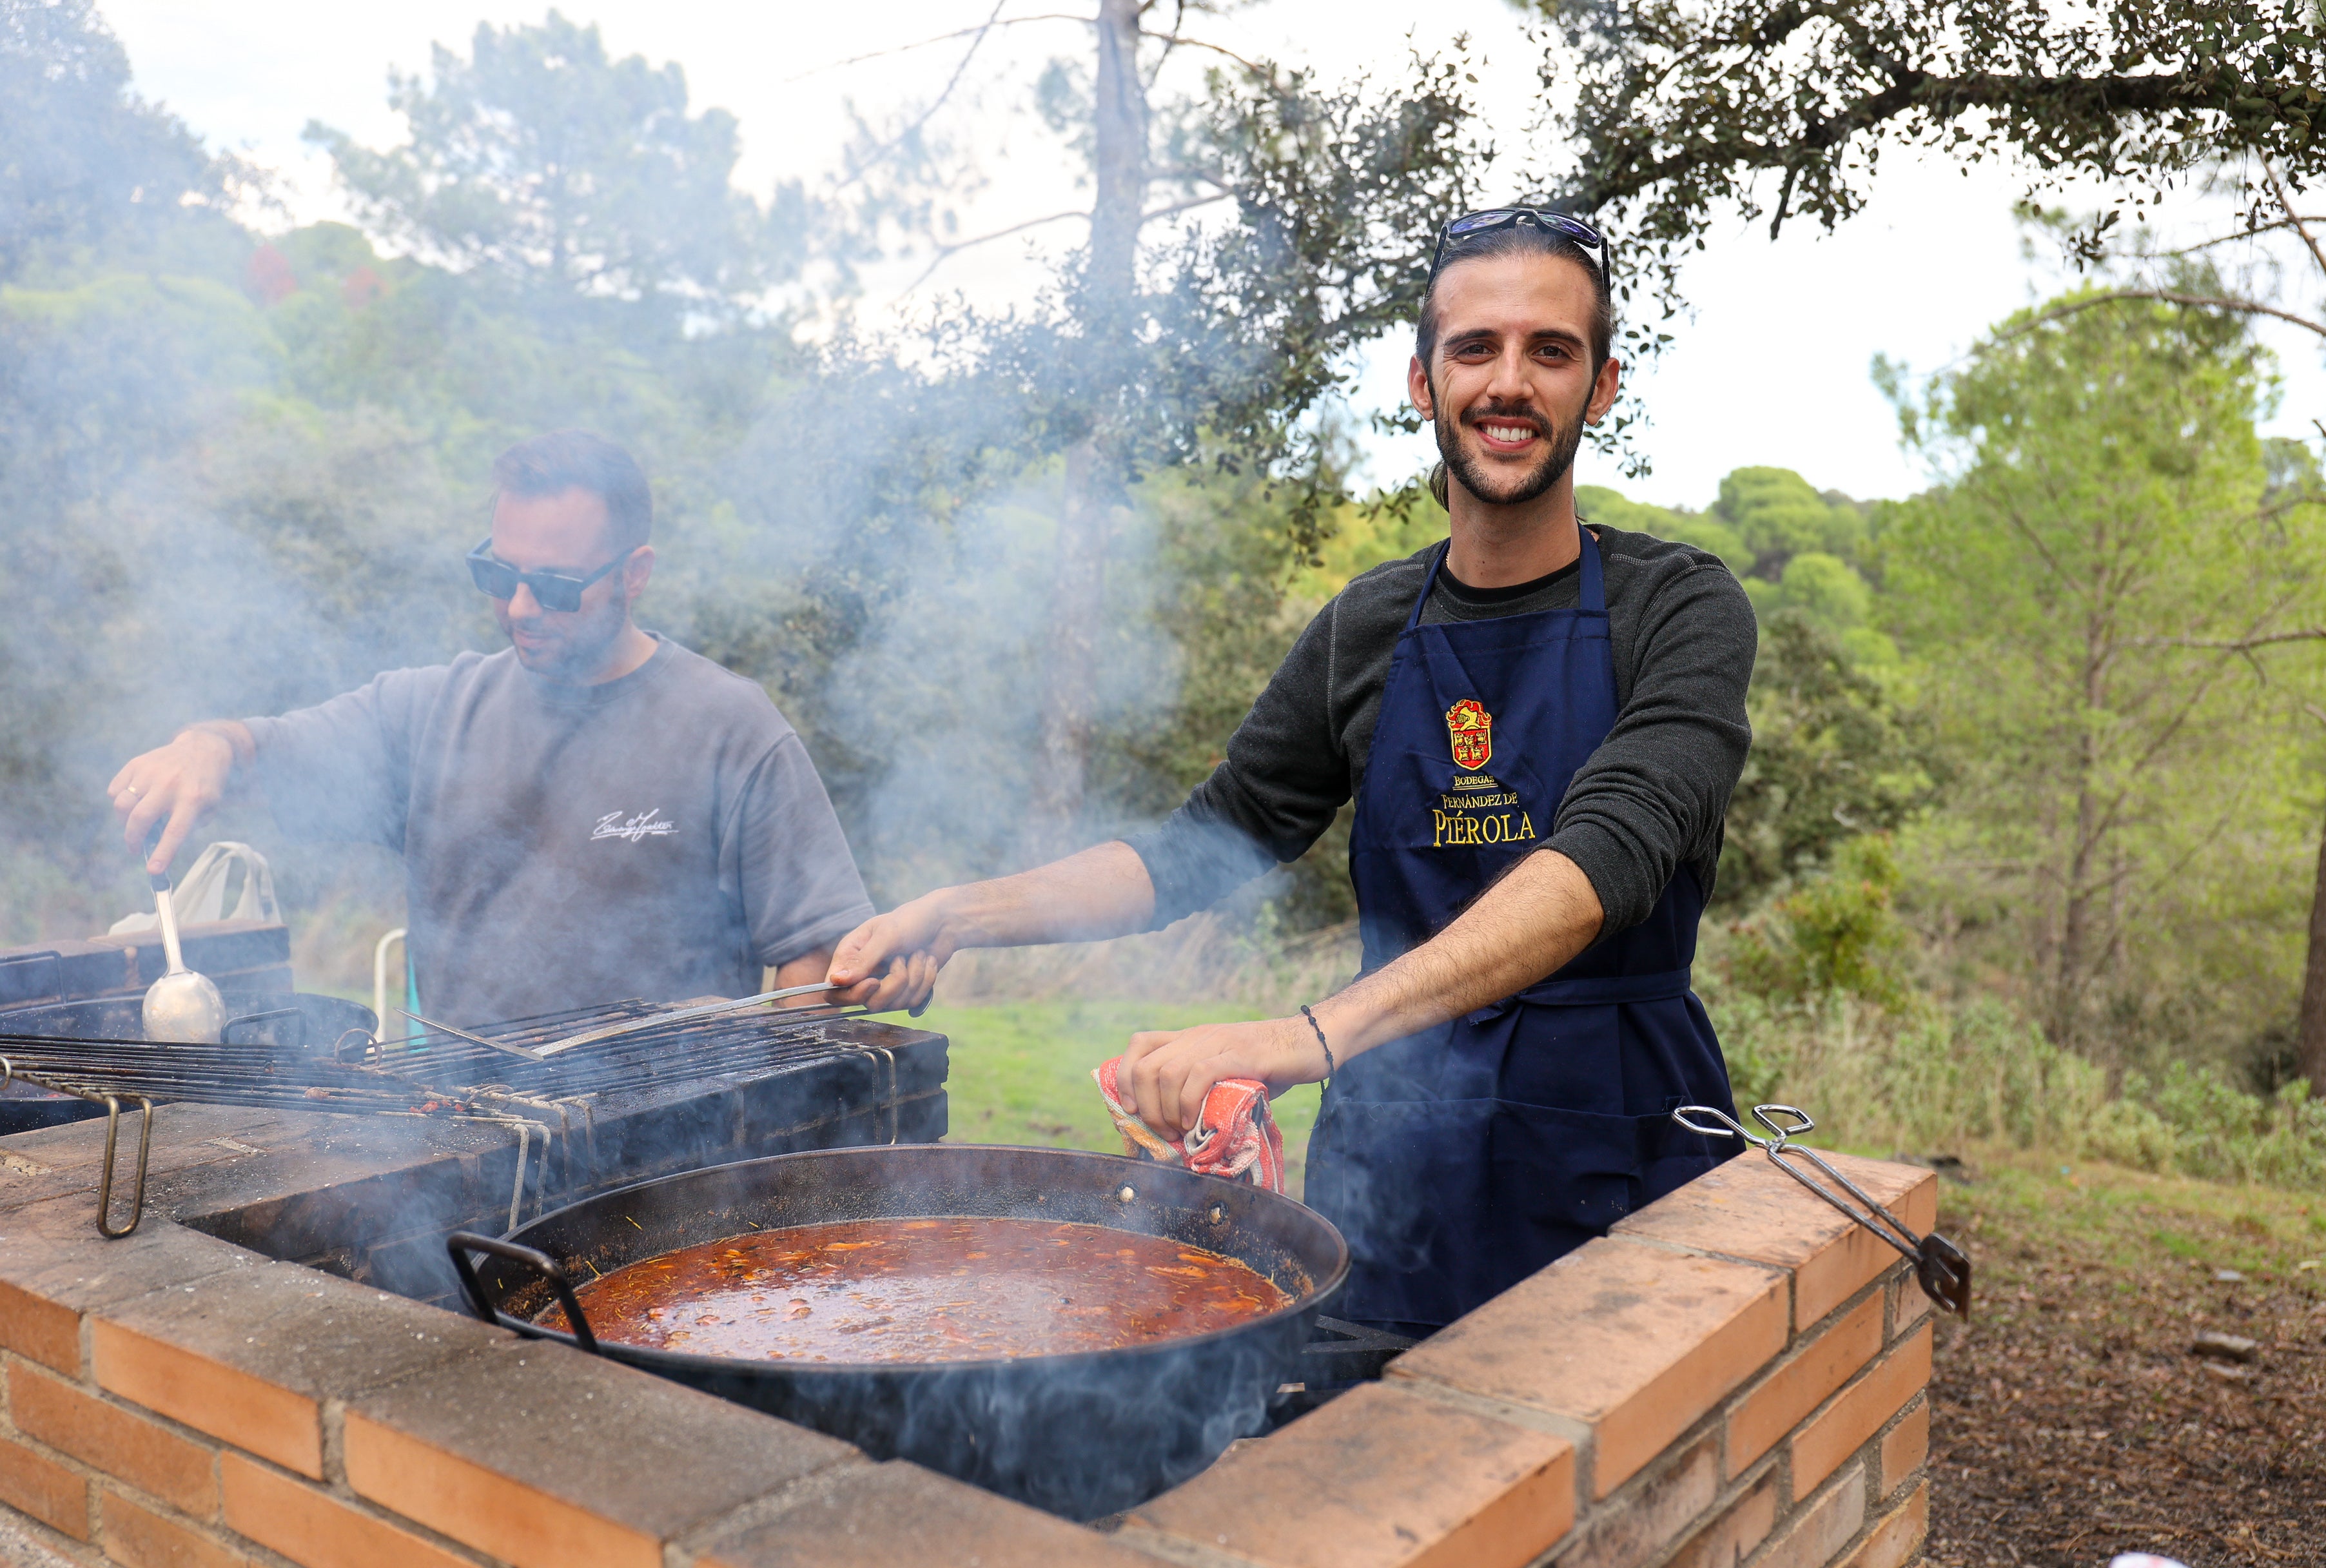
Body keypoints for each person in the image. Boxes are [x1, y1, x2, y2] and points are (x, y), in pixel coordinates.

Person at [828, 210, 1755, 1334]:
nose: (1507, 382)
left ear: (1601, 387)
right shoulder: (1365, 628)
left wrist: (1299, 1039)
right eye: (1474, 349)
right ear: (1422, 382)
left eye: (1548, 351)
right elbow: (1202, 843)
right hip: (1395, 1167)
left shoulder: (1679, 607)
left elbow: (1608, 852)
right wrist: (957, 913)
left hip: (1615, 1145)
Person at [108, 430, 873, 1028]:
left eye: (554, 586)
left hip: (667, 1157)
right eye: (499, 575)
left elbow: (812, 945)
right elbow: (260, 749)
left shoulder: (728, 726)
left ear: (634, 574)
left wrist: (762, 1108)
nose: (519, 609)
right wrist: (206, 745)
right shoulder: (429, 712)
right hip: (462, 1148)